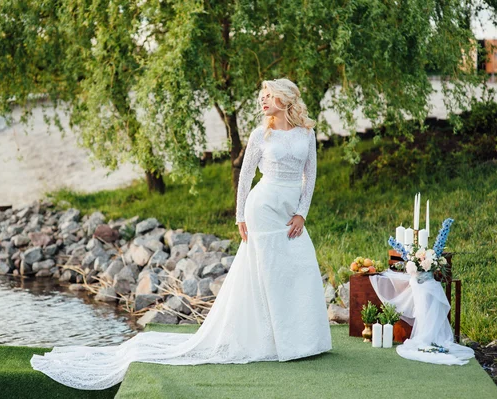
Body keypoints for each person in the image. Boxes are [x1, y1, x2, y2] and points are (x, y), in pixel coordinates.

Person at [30, 78, 332, 390]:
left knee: (299, 266)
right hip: (263, 208)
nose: (263, 100)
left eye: (269, 96)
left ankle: (304, 340)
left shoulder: (306, 133)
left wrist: (302, 212)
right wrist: (240, 214)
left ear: (285, 98)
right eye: (262, 96)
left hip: (290, 210)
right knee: (267, 272)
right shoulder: (260, 134)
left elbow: (310, 175)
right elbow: (244, 177)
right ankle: (273, 342)